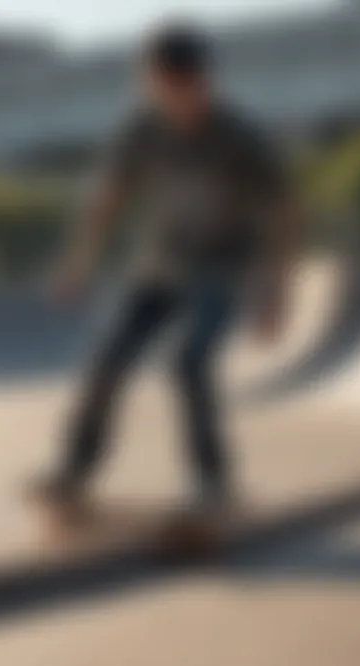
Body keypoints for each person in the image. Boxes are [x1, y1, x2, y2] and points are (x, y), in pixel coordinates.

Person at [30, 22, 299, 529]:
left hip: (222, 270)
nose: (182, 103)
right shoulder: (140, 130)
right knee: (109, 356)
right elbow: (109, 199)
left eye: (191, 89)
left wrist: (277, 291)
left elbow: (282, 213)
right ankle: (75, 470)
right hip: (159, 267)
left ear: (206, 81)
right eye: (169, 91)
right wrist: (80, 260)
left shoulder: (239, 136)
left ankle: (212, 482)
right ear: (151, 83)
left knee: (188, 361)